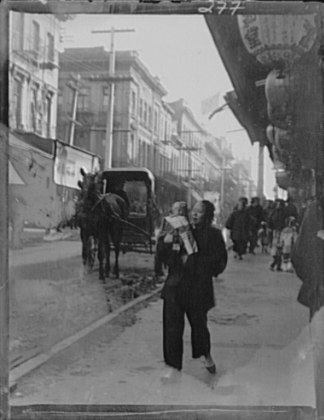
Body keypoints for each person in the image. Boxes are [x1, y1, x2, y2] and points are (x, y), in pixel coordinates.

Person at [158, 200, 227, 382]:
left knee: (199, 327)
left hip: (198, 288)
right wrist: (164, 242)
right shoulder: (179, 230)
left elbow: (220, 262)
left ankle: (206, 355)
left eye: (200, 212)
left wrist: (196, 263)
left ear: (208, 215)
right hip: (175, 286)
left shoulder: (214, 235)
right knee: (171, 328)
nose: (195, 214)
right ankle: (173, 367)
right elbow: (163, 257)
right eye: (193, 211)